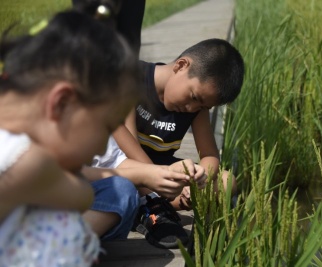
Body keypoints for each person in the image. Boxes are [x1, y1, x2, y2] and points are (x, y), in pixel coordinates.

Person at [0, 6, 141, 266]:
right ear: (61, 103)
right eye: (106, 127)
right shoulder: (29, 163)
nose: (101, 148)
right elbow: (81, 195)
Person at [97, 38, 245, 248]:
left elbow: (210, 155)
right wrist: (157, 177)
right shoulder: (132, 79)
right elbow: (127, 146)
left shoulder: (196, 107)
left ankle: (150, 205)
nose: (191, 108)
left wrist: (197, 181)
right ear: (181, 65)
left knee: (227, 181)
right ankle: (149, 205)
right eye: (193, 97)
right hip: (129, 169)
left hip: (165, 179)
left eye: (202, 106)